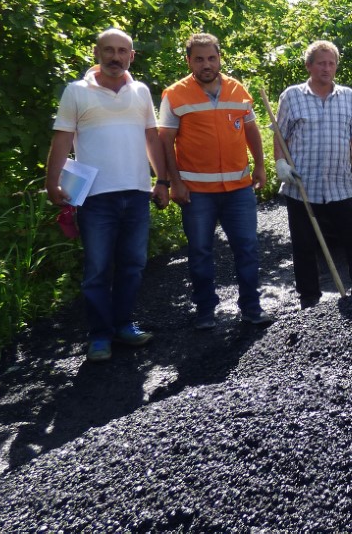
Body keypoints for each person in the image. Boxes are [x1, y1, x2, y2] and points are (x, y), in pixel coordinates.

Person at [45, 28, 169, 363]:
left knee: (133, 265)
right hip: (95, 197)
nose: (115, 57)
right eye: (109, 50)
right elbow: (61, 139)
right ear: (97, 53)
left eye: (122, 51)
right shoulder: (76, 92)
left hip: (137, 192)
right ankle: (100, 335)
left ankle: (124, 325)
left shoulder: (141, 91)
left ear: (131, 56)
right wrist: (52, 182)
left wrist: (162, 181)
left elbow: (152, 138)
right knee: (98, 269)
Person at [158, 33, 271, 330]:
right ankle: (206, 311)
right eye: (199, 59)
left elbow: (251, 130)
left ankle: (251, 308)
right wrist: (173, 182)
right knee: (200, 252)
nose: (206, 64)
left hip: (239, 188)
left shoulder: (237, 89)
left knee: (247, 248)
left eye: (211, 58)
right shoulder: (175, 94)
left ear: (220, 58)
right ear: (189, 61)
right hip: (197, 192)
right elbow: (165, 141)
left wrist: (260, 166)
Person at [273, 40, 352, 308]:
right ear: (309, 66)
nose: (326, 68)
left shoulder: (348, 96)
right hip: (302, 187)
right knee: (304, 245)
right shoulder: (292, 96)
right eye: (321, 63)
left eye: (331, 63)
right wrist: (280, 162)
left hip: (340, 185)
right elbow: (280, 135)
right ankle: (309, 298)